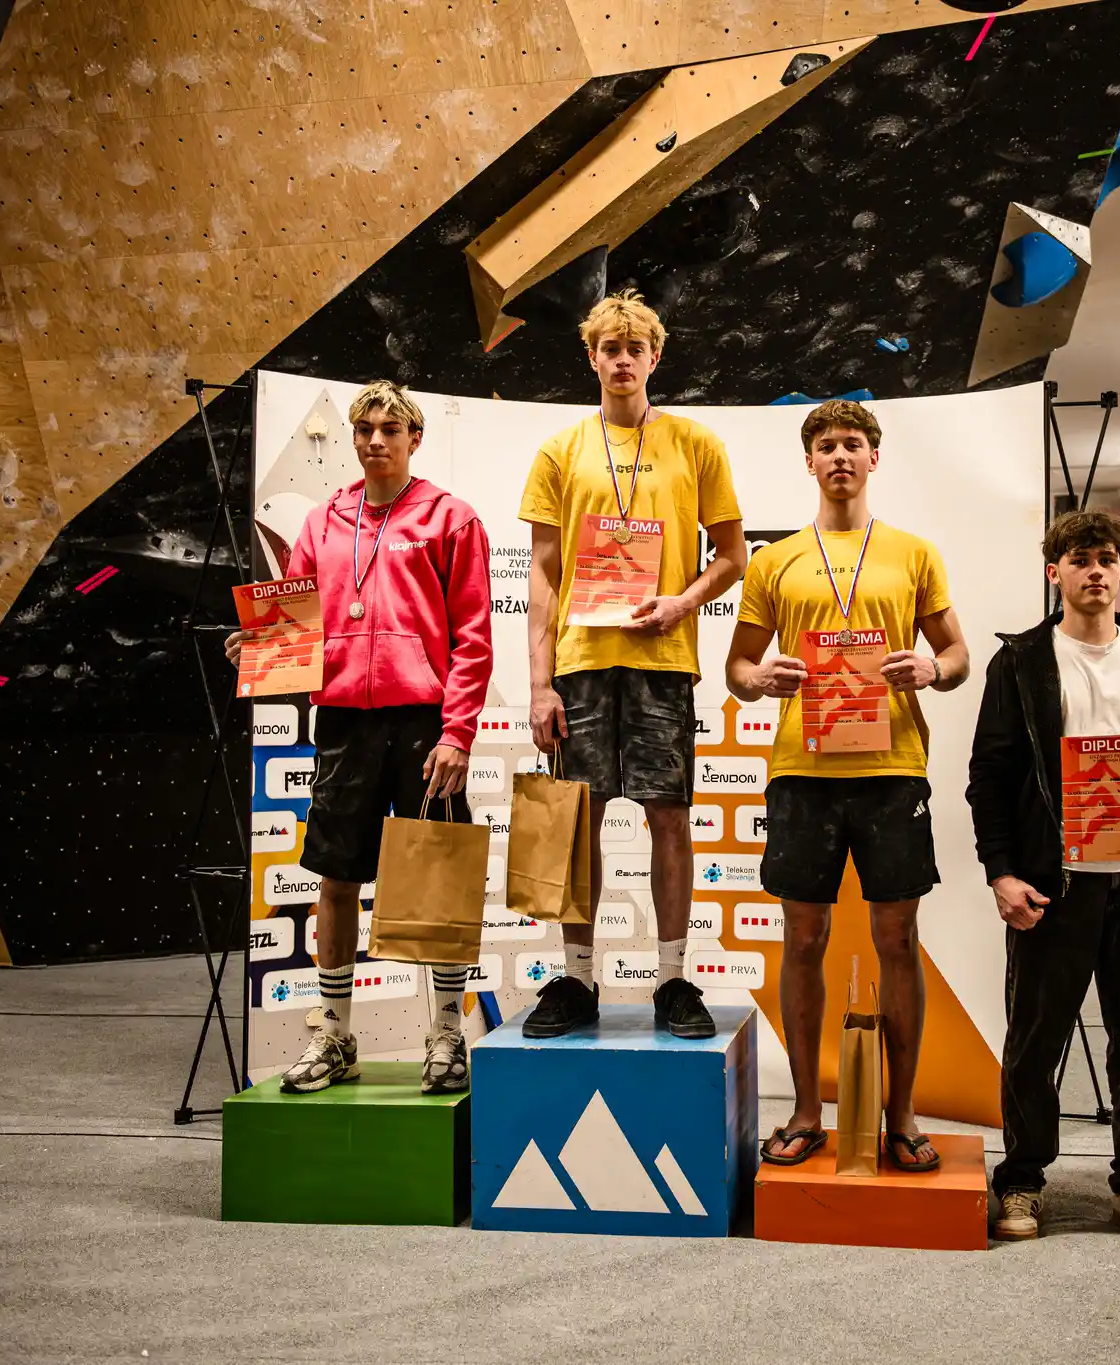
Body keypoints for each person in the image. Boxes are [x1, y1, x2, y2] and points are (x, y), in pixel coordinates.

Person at [226, 381, 493, 1095]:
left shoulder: (451, 518)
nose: (376, 440)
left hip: (425, 725)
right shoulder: (323, 521)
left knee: (437, 877)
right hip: (344, 721)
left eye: (390, 429)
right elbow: (298, 620)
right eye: (365, 429)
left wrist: (458, 732)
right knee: (336, 877)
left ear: (414, 439)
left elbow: (473, 637)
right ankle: (334, 1032)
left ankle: (447, 1031)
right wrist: (260, 646)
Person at [726, 399, 969, 1172]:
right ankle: (806, 1109)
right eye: (826, 445)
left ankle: (902, 1114)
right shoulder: (775, 561)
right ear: (809, 461)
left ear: (873, 458)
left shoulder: (914, 553)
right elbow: (737, 667)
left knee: (897, 939)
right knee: (804, 939)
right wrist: (760, 678)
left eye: (853, 444)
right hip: (802, 771)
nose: (840, 456)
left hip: (892, 769)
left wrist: (931, 667)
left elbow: (958, 655)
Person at [966, 509, 1120, 1241]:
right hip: (1053, 881)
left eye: (1106, 558)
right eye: (1079, 560)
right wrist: (1001, 873)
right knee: (1034, 1043)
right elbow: (989, 776)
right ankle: (1022, 1182)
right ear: (1056, 573)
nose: (1094, 571)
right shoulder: (1020, 661)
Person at [520, 290, 749, 1039]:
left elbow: (734, 556)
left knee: (669, 817)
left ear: (655, 357)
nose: (623, 360)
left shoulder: (695, 443)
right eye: (610, 349)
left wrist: (683, 603)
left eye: (635, 349)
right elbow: (543, 573)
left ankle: (673, 978)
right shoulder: (560, 450)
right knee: (575, 824)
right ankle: (577, 978)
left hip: (663, 658)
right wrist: (539, 684)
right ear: (591, 358)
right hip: (581, 661)